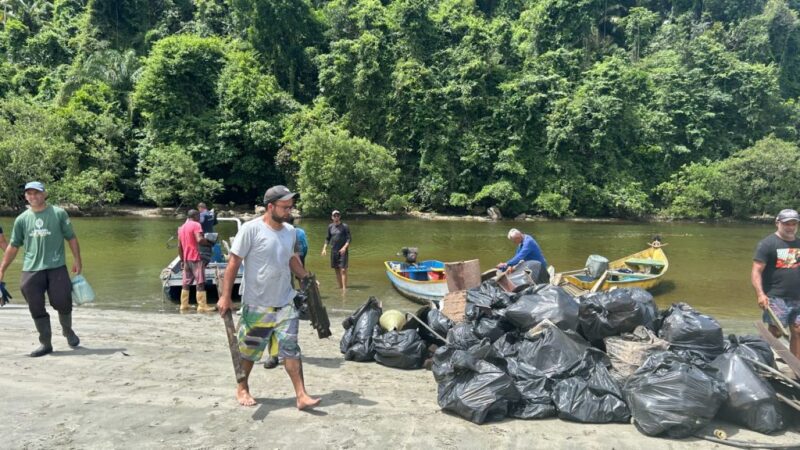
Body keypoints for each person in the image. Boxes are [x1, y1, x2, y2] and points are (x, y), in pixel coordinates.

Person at [217, 185, 320, 409]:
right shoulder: (250, 229)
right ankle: (242, 388)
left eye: (291, 207)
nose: (289, 211)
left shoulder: (290, 232)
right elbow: (233, 263)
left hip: (285, 302)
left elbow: (292, 258)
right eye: (285, 207)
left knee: (291, 349)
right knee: (249, 351)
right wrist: (225, 297)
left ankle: (301, 395)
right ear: (270, 206)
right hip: (257, 303)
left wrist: (305, 277)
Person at [0, 181, 83, 357]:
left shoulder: (58, 213)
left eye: (36, 193)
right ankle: (46, 344)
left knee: (63, 302)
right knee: (35, 306)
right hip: (31, 269)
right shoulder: (22, 219)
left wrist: (77, 259)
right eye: (29, 193)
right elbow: (13, 246)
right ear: (25, 196)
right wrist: (2, 269)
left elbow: (71, 238)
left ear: (44, 194)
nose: (33, 196)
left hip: (56, 267)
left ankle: (67, 331)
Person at [752, 208, 800, 359]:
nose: (791, 227)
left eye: (794, 224)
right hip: (775, 297)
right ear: (777, 223)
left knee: (798, 331)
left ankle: (797, 367)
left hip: (797, 297)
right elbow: (756, 271)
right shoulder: (767, 244)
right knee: (775, 332)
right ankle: (756, 355)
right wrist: (760, 294)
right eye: (787, 224)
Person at [177, 209, 215, 313]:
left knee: (186, 282)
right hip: (196, 257)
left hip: (186, 258)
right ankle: (202, 305)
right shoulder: (196, 225)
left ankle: (184, 305)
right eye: (199, 216)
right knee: (200, 281)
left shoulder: (181, 228)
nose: (200, 218)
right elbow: (199, 239)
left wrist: (182, 260)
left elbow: (179, 246)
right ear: (196, 215)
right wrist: (209, 242)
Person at [321, 210, 350, 290]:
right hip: (334, 251)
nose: (336, 217)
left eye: (337, 215)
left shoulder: (345, 226)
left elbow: (349, 239)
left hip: (343, 251)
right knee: (337, 269)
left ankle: (344, 289)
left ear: (340, 216)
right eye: (334, 216)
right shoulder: (330, 226)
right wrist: (324, 249)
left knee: (343, 270)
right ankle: (340, 287)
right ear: (332, 217)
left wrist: (344, 247)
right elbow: (327, 238)